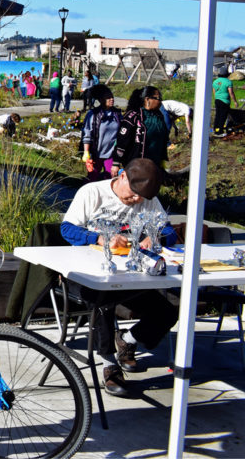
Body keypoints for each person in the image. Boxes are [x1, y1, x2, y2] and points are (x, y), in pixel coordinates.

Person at [60, 158, 178, 397]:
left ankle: (127, 340)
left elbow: (169, 232)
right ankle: (108, 363)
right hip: (86, 273)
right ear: (122, 175)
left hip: (129, 274)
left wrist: (156, 238)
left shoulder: (149, 200)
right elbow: (67, 229)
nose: (135, 201)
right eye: (133, 195)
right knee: (102, 301)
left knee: (167, 312)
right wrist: (99, 238)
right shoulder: (93, 192)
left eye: (140, 199)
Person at [115, 86, 169, 172]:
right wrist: (116, 163)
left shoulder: (159, 116)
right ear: (147, 99)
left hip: (154, 162)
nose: (160, 101)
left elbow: (163, 138)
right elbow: (122, 139)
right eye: (158, 98)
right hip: (136, 163)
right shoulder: (133, 116)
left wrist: (162, 157)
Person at [81, 85, 122, 182]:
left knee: (111, 180)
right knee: (92, 179)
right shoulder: (93, 114)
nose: (112, 99)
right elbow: (87, 134)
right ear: (101, 99)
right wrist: (86, 152)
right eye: (108, 98)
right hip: (96, 154)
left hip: (111, 154)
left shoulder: (117, 114)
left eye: (112, 97)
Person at [213, 66, 239, 136]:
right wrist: (235, 101)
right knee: (223, 116)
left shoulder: (215, 81)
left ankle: (215, 129)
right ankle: (220, 131)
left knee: (217, 115)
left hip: (217, 100)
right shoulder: (228, 82)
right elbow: (231, 92)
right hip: (225, 101)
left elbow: (214, 92)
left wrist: (216, 99)